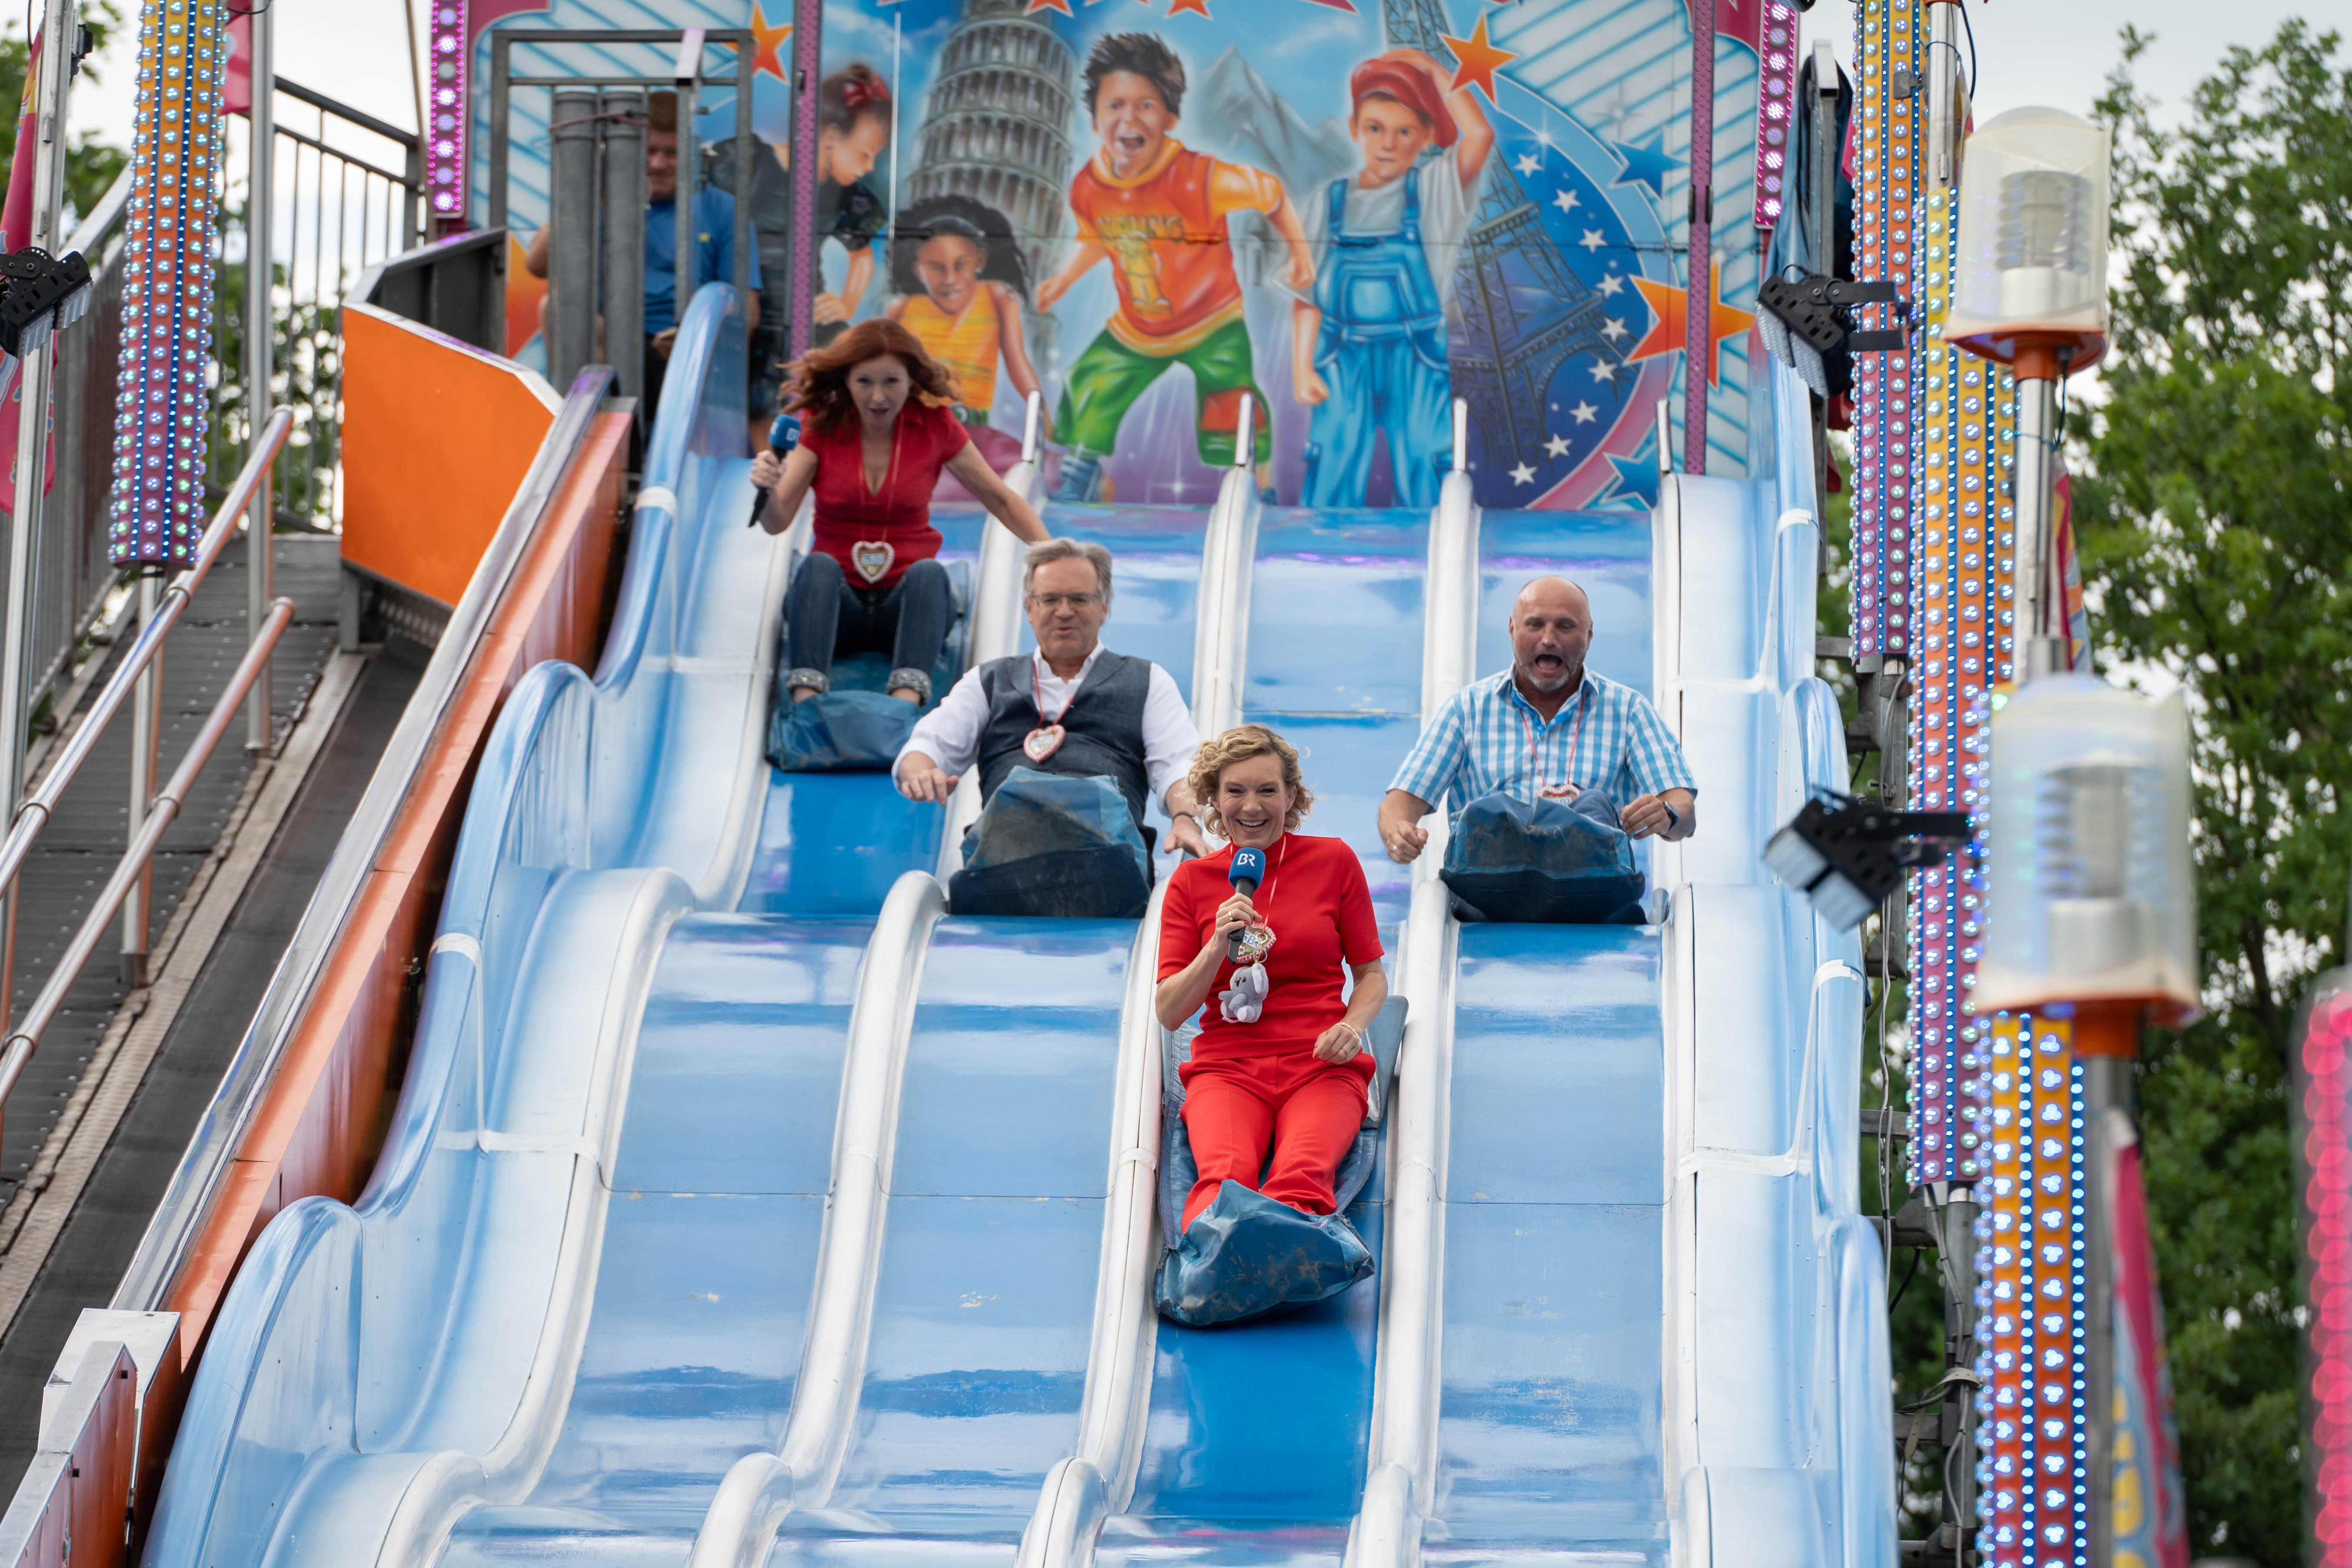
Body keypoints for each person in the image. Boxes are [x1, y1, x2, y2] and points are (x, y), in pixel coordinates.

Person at [1035, 33, 1315, 504]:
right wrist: (1063, 280)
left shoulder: (1200, 177)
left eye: (1145, 105)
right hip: (1138, 327)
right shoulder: (1088, 186)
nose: (1129, 119)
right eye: (1115, 105)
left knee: (1234, 399)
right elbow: (1096, 238)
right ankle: (1081, 468)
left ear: (1170, 118)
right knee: (1090, 381)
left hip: (1212, 320)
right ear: (1095, 120)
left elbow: (1270, 194)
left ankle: (1255, 484)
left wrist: (1300, 252)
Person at [1157, 726, 1388, 1232]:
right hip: (1228, 1068)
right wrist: (1216, 943)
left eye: (1267, 789)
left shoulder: (1333, 861)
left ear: (1290, 796)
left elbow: (1371, 976)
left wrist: (1350, 1026)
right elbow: (1169, 1011)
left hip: (1320, 1064)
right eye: (1235, 790)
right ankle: (1215, 1265)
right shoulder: (1191, 882)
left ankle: (1286, 1259)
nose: (1251, 805)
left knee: (1301, 1179)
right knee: (1223, 1184)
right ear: (1213, 798)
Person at [751, 319, 1048, 704]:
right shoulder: (821, 424)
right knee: (817, 567)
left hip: (907, 611)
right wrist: (767, 489)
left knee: (930, 573)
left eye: (891, 381)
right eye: (864, 382)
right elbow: (777, 522)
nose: (878, 397)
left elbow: (1002, 500)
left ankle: (905, 705)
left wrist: (1054, 556)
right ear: (846, 380)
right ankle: (806, 703)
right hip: (836, 610)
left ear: (911, 381)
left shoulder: (935, 426)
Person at [896, 538, 1211, 856]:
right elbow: (927, 746)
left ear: (1104, 607)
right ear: (1029, 608)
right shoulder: (988, 680)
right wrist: (922, 772)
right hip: (1005, 858)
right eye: (1049, 599)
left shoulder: (1148, 680)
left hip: (1109, 859)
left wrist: (1185, 819)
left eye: (1079, 599)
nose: (1064, 612)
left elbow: (1179, 766)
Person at [1293, 50, 1493, 511]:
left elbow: (1480, 135)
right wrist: (1302, 366)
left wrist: (1435, 72)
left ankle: (1432, 548)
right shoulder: (1328, 201)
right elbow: (1303, 293)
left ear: (1426, 136)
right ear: (1354, 129)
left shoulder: (1434, 192)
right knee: (1333, 458)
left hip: (1415, 353)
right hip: (1341, 353)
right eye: (1374, 128)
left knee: (1424, 457)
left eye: (1404, 131)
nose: (1388, 143)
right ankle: (1320, 545)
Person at [1379, 575, 1697, 860]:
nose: (1548, 639)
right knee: (1490, 811)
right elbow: (1400, 802)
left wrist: (1666, 815)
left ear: (1589, 635)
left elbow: (1682, 808)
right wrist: (1399, 833)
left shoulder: (1628, 710)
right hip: (1491, 888)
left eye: (1565, 626)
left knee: (1593, 806)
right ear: (1512, 629)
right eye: (1534, 625)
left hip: (1592, 891)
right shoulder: (1466, 710)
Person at [523, 91, 761, 419]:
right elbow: (536, 265)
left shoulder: (722, 208)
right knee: (553, 306)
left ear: (691, 153)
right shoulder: (602, 200)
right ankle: (583, 424)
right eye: (649, 151)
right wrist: (590, 193)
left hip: (687, 352)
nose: (658, 164)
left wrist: (697, 334)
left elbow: (748, 311)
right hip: (608, 346)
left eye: (671, 153)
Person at [886, 195, 1049, 474]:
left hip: (976, 436)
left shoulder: (998, 296)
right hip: (916, 433)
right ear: (918, 270)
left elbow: (1018, 364)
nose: (950, 279)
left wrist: (1046, 424)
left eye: (961, 265)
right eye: (936, 268)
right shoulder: (902, 308)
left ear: (979, 260)